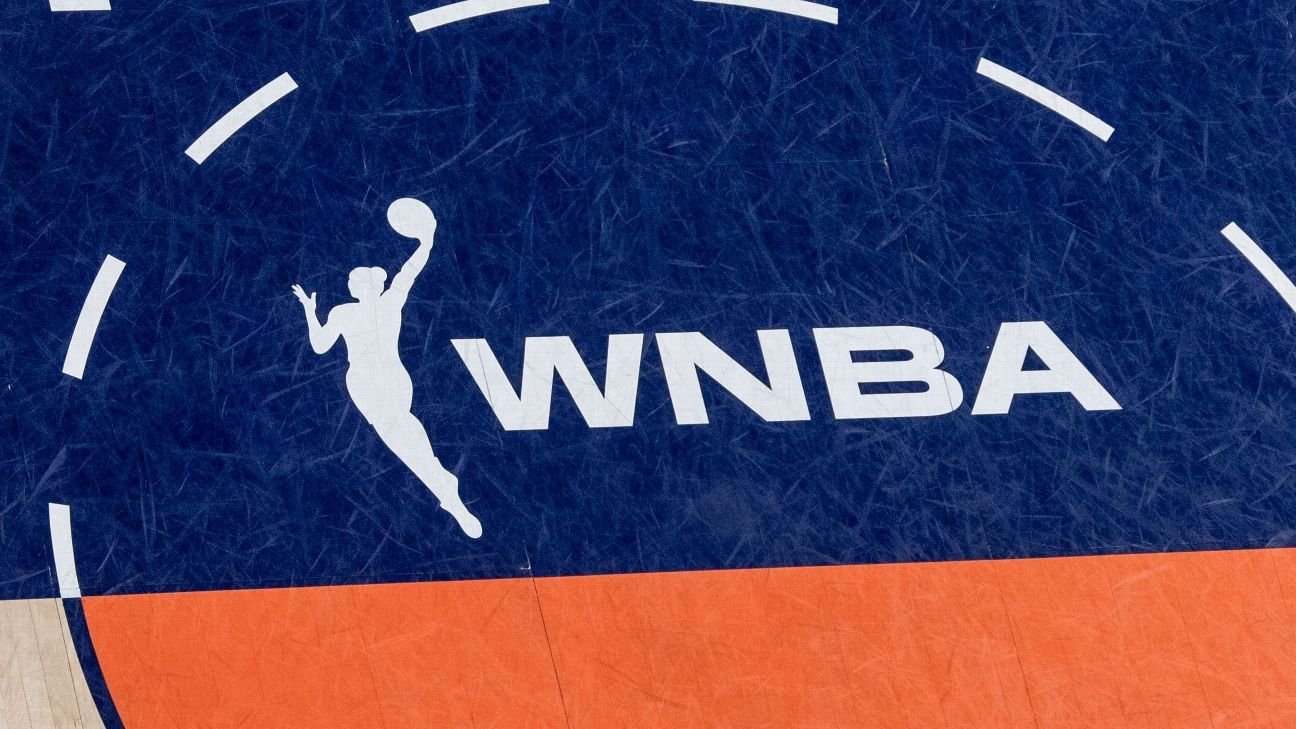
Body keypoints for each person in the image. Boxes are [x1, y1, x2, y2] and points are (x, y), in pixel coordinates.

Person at [291, 198, 482, 539]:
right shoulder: (372, 307)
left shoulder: (358, 309)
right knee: (405, 433)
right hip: (378, 381)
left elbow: (319, 345)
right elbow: (408, 272)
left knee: (403, 436)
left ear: (363, 287)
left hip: (380, 380)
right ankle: (445, 487)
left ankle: (444, 486)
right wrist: (426, 242)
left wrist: (310, 311)